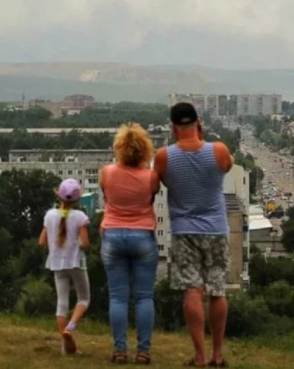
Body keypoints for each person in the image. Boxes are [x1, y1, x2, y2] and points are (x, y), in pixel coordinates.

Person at [153, 103, 233, 368]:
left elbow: (160, 182)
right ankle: (217, 355)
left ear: (173, 127)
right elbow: (227, 166)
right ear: (198, 123)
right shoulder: (218, 150)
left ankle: (199, 356)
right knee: (217, 290)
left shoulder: (164, 156)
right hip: (216, 229)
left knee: (192, 290)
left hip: (184, 230)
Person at [99, 123, 160, 365]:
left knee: (118, 298)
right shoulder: (151, 177)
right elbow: (151, 198)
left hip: (113, 235)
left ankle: (120, 350)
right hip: (143, 236)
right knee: (144, 297)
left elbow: (106, 196)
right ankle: (143, 351)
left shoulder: (107, 173)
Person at [39, 178, 91, 355]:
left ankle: (65, 346)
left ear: (58, 196)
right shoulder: (80, 217)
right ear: (77, 199)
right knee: (84, 298)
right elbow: (84, 244)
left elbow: (41, 242)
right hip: (76, 262)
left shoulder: (49, 215)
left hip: (57, 264)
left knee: (62, 304)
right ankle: (71, 326)